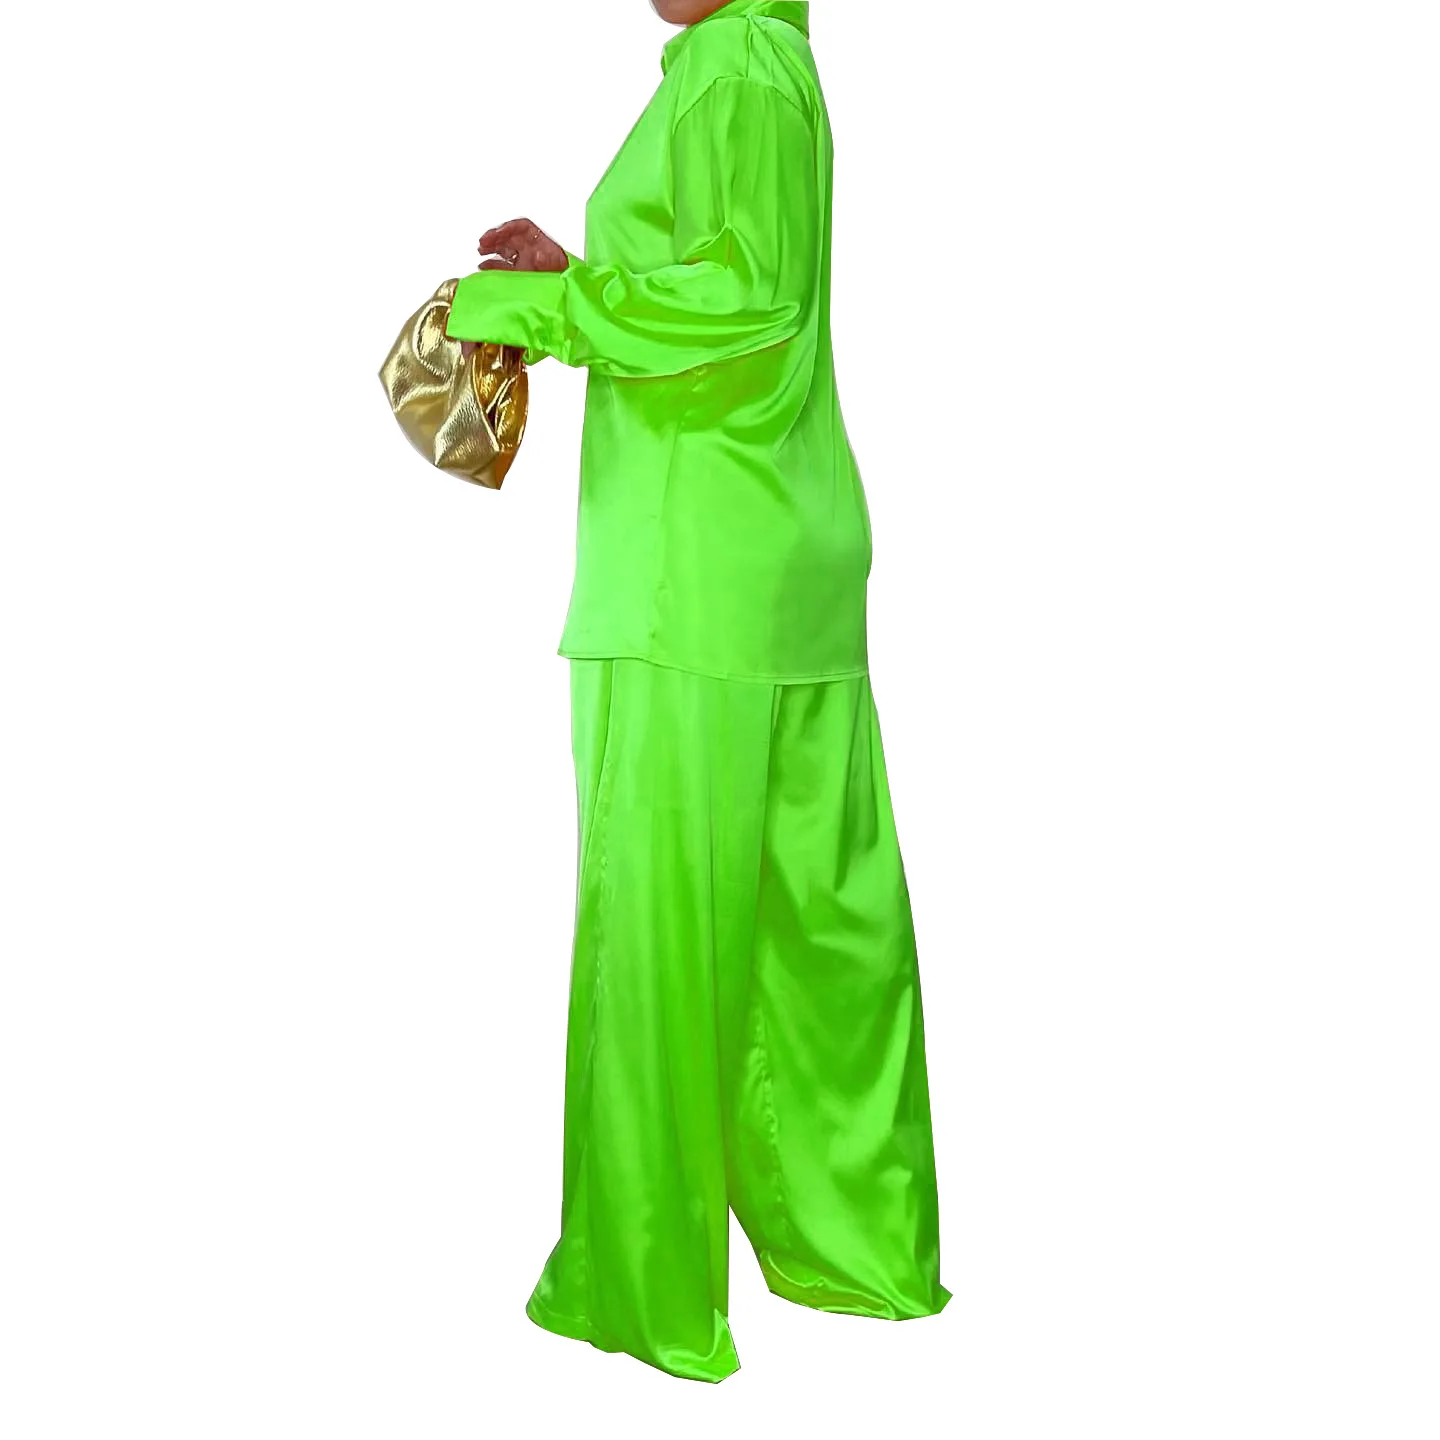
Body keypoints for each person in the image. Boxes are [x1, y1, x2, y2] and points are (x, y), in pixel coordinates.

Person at [446, 0, 949, 1382]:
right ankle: (863, 1250)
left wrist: (538, 310)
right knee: (815, 927)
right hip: (783, 552)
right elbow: (731, 283)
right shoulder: (773, 63)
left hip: (683, 576)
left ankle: (644, 1290)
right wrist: (586, 274)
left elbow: (745, 297)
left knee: (659, 932)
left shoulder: (734, 62)